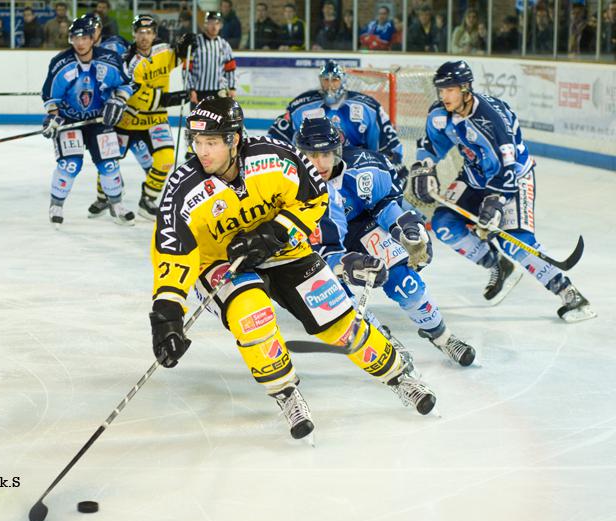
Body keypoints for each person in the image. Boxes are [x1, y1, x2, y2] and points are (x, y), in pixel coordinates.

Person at [149, 97, 438, 440]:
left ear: (234, 139)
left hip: (286, 250)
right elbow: (172, 251)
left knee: (339, 320)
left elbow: (314, 197)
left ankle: (399, 376)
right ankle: (286, 393)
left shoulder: (275, 158)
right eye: (197, 142)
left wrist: (278, 229)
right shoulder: (183, 188)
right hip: (221, 262)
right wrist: (167, 312)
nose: (202, 152)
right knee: (251, 316)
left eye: (211, 142)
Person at [410, 61, 596, 323]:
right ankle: (497, 264)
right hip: (475, 175)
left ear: (465, 89)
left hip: (512, 179)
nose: (443, 96)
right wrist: (423, 167)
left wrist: (494, 206)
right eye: (441, 90)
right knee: (443, 223)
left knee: (514, 240)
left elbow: (508, 169)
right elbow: (430, 143)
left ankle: (568, 292)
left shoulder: (491, 122)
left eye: (449, 90)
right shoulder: (440, 114)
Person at [298, 117, 476, 366]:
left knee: (405, 282)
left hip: (360, 227)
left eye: (326, 153)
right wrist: (340, 263)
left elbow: (384, 203)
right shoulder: (289, 183)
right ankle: (384, 344)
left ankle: (442, 336)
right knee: (342, 304)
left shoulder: (365, 168)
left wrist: (405, 225)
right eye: (311, 155)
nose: (320, 163)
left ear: (337, 150)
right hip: (319, 246)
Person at [87, 15, 196, 220]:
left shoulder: (163, 50)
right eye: (140, 32)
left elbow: (179, 56)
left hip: (155, 120)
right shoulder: (128, 61)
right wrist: (173, 98)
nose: (144, 37)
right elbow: (139, 99)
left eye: (148, 32)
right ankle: (104, 197)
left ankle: (148, 200)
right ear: (134, 34)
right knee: (109, 160)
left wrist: (185, 47)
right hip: (128, 120)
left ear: (154, 34)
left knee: (165, 159)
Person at [40, 16, 135, 226]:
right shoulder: (60, 62)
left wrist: (119, 100)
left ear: (93, 38)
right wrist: (53, 116)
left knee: (109, 164)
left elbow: (127, 85)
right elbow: (50, 96)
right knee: (70, 164)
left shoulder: (110, 59)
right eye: (75, 37)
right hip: (69, 120)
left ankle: (117, 204)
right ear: (70, 39)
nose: (80, 42)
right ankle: (56, 205)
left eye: (84, 38)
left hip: (99, 120)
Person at [268, 60, 405, 185]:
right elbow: (277, 137)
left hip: (358, 171)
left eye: (335, 80)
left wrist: (392, 162)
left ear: (343, 80)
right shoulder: (300, 106)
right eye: (325, 80)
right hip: (314, 170)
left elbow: (387, 143)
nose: (330, 85)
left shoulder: (368, 106)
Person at [187, 11, 237, 105]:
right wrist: (191, 89)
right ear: (205, 24)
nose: (214, 27)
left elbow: (230, 68)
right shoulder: (195, 43)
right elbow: (186, 69)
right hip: (198, 92)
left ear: (221, 25)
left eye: (217, 23)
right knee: (199, 120)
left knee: (218, 119)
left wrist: (232, 88)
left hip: (219, 93)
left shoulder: (224, 45)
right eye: (211, 23)